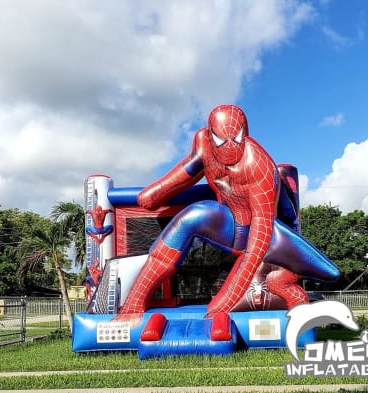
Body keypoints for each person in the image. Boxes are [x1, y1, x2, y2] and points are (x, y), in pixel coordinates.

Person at [115, 104, 338, 321]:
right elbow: (186, 172)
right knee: (191, 216)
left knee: (330, 272)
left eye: (237, 138)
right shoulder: (204, 145)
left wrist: (224, 302)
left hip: (272, 234)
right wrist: (153, 195)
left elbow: (256, 246)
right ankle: (135, 301)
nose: (230, 146)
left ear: (246, 134)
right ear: (211, 136)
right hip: (230, 222)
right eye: (222, 140)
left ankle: (283, 284)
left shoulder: (259, 166)